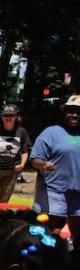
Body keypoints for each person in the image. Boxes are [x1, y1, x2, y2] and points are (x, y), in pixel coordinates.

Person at [30, 94, 80, 247]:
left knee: (78, 233)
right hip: (53, 191)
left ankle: (75, 265)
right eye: (71, 111)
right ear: (64, 113)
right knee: (51, 233)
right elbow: (34, 159)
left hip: (77, 192)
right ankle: (47, 263)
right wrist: (44, 164)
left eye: (78, 112)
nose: (75, 115)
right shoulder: (51, 132)